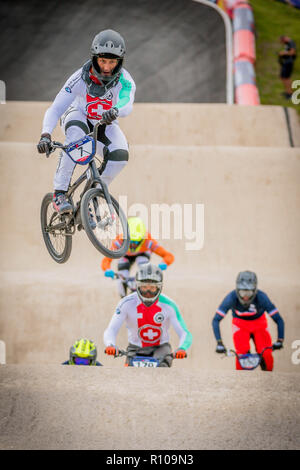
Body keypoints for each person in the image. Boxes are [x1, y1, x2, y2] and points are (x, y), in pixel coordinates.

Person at [37, 29, 135, 214]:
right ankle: (60, 193)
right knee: (76, 135)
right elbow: (56, 109)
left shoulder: (125, 80)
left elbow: (127, 103)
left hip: (106, 122)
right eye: (103, 61)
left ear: (119, 62)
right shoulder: (78, 79)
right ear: (94, 58)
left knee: (120, 156)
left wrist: (116, 111)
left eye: (112, 62)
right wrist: (45, 134)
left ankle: (91, 196)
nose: (106, 67)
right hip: (77, 115)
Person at [103, 263, 192, 367]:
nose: (148, 292)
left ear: (160, 287)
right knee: (127, 377)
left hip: (161, 348)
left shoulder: (170, 305)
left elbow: (184, 332)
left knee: (162, 371)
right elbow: (111, 329)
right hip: (135, 348)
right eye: (144, 287)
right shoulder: (125, 303)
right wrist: (110, 345)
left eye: (152, 287)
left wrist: (182, 348)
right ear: (137, 286)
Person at [212, 271, 285, 371]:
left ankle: (268, 379)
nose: (245, 296)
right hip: (240, 324)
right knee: (242, 355)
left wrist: (280, 340)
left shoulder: (262, 297)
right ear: (237, 290)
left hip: (259, 323)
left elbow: (278, 319)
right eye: (242, 292)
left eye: (249, 292)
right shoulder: (231, 297)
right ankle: (241, 381)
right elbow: (216, 320)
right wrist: (219, 342)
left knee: (266, 354)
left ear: (255, 290)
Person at [101, 217, 175, 297]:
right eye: (130, 241)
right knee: (121, 277)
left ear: (142, 238)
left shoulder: (148, 241)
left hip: (142, 254)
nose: (133, 244)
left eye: (136, 241)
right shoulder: (119, 241)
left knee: (142, 263)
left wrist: (164, 263)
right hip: (125, 256)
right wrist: (107, 269)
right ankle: (123, 299)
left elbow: (168, 256)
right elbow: (106, 260)